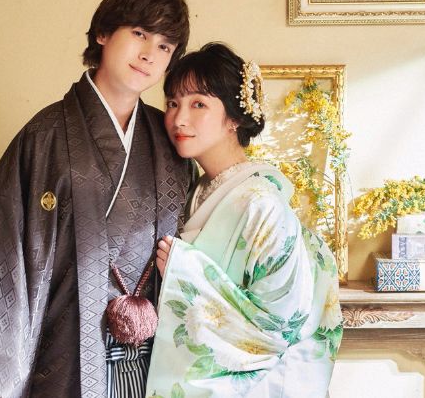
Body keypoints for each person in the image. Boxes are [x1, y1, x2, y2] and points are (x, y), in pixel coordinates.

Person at [0, 0, 194, 398]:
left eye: (164, 46)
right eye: (140, 34)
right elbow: (2, 251)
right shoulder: (45, 136)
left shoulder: (168, 140)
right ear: (103, 33)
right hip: (62, 357)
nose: (149, 55)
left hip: (153, 362)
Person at [146, 43, 343, 397]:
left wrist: (184, 269)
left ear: (234, 118)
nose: (179, 119)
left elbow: (282, 321)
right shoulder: (196, 190)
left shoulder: (261, 203)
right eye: (173, 103)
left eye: (198, 104)